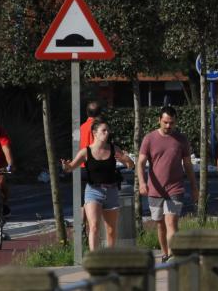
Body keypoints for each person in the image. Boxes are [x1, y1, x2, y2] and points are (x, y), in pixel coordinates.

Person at [61, 119, 134, 251]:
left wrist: (126, 159)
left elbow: (130, 166)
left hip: (111, 191)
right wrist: (66, 166)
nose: (107, 133)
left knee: (111, 230)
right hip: (93, 191)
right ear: (95, 133)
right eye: (103, 130)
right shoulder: (85, 152)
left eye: (108, 130)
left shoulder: (114, 149)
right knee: (94, 226)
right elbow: (71, 167)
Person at [138, 106, 199, 262]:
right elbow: (140, 162)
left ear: (176, 122)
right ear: (159, 120)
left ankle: (173, 255)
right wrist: (142, 182)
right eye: (165, 122)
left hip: (175, 187)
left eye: (171, 123)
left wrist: (194, 186)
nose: (168, 126)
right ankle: (165, 253)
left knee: (171, 222)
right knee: (160, 224)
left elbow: (188, 165)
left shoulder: (181, 140)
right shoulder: (149, 139)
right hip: (155, 189)